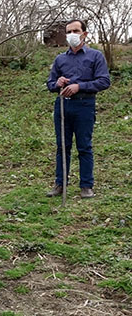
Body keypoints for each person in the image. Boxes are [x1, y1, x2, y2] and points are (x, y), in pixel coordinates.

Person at [46, 19, 110, 198]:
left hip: (84, 105)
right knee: (62, 147)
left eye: (75, 31)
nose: (72, 35)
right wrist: (57, 83)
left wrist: (79, 86)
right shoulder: (60, 59)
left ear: (84, 34)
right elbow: (50, 84)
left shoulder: (95, 56)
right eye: (69, 32)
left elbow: (104, 81)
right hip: (63, 106)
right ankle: (60, 184)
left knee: (84, 146)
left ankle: (86, 186)